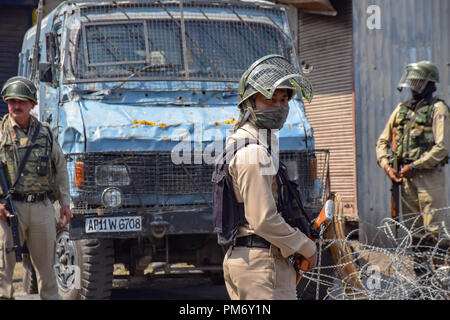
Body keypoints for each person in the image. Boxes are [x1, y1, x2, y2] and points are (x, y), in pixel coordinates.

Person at [216, 55, 317, 300]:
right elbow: (262, 220)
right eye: (270, 99)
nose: (279, 107)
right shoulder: (254, 153)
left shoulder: (246, 144)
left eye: (284, 99)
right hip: (263, 265)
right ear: (250, 103)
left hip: (254, 261)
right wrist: (306, 246)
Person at [0, 76, 71, 300]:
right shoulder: (0, 133)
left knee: (47, 268)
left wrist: (65, 203)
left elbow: (60, 168)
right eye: (11, 101)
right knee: (3, 267)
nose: (15, 106)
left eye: (21, 101)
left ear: (32, 104)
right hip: (8, 210)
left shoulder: (46, 134)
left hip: (41, 207)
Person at [376, 60, 450, 244]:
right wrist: (387, 166)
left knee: (435, 232)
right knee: (415, 232)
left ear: (428, 83)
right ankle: (421, 272)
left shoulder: (438, 108)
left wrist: (415, 166)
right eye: (411, 81)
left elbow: (442, 147)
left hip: (429, 178)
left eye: (417, 81)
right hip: (406, 179)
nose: (412, 85)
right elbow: (382, 142)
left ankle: (440, 273)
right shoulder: (402, 109)